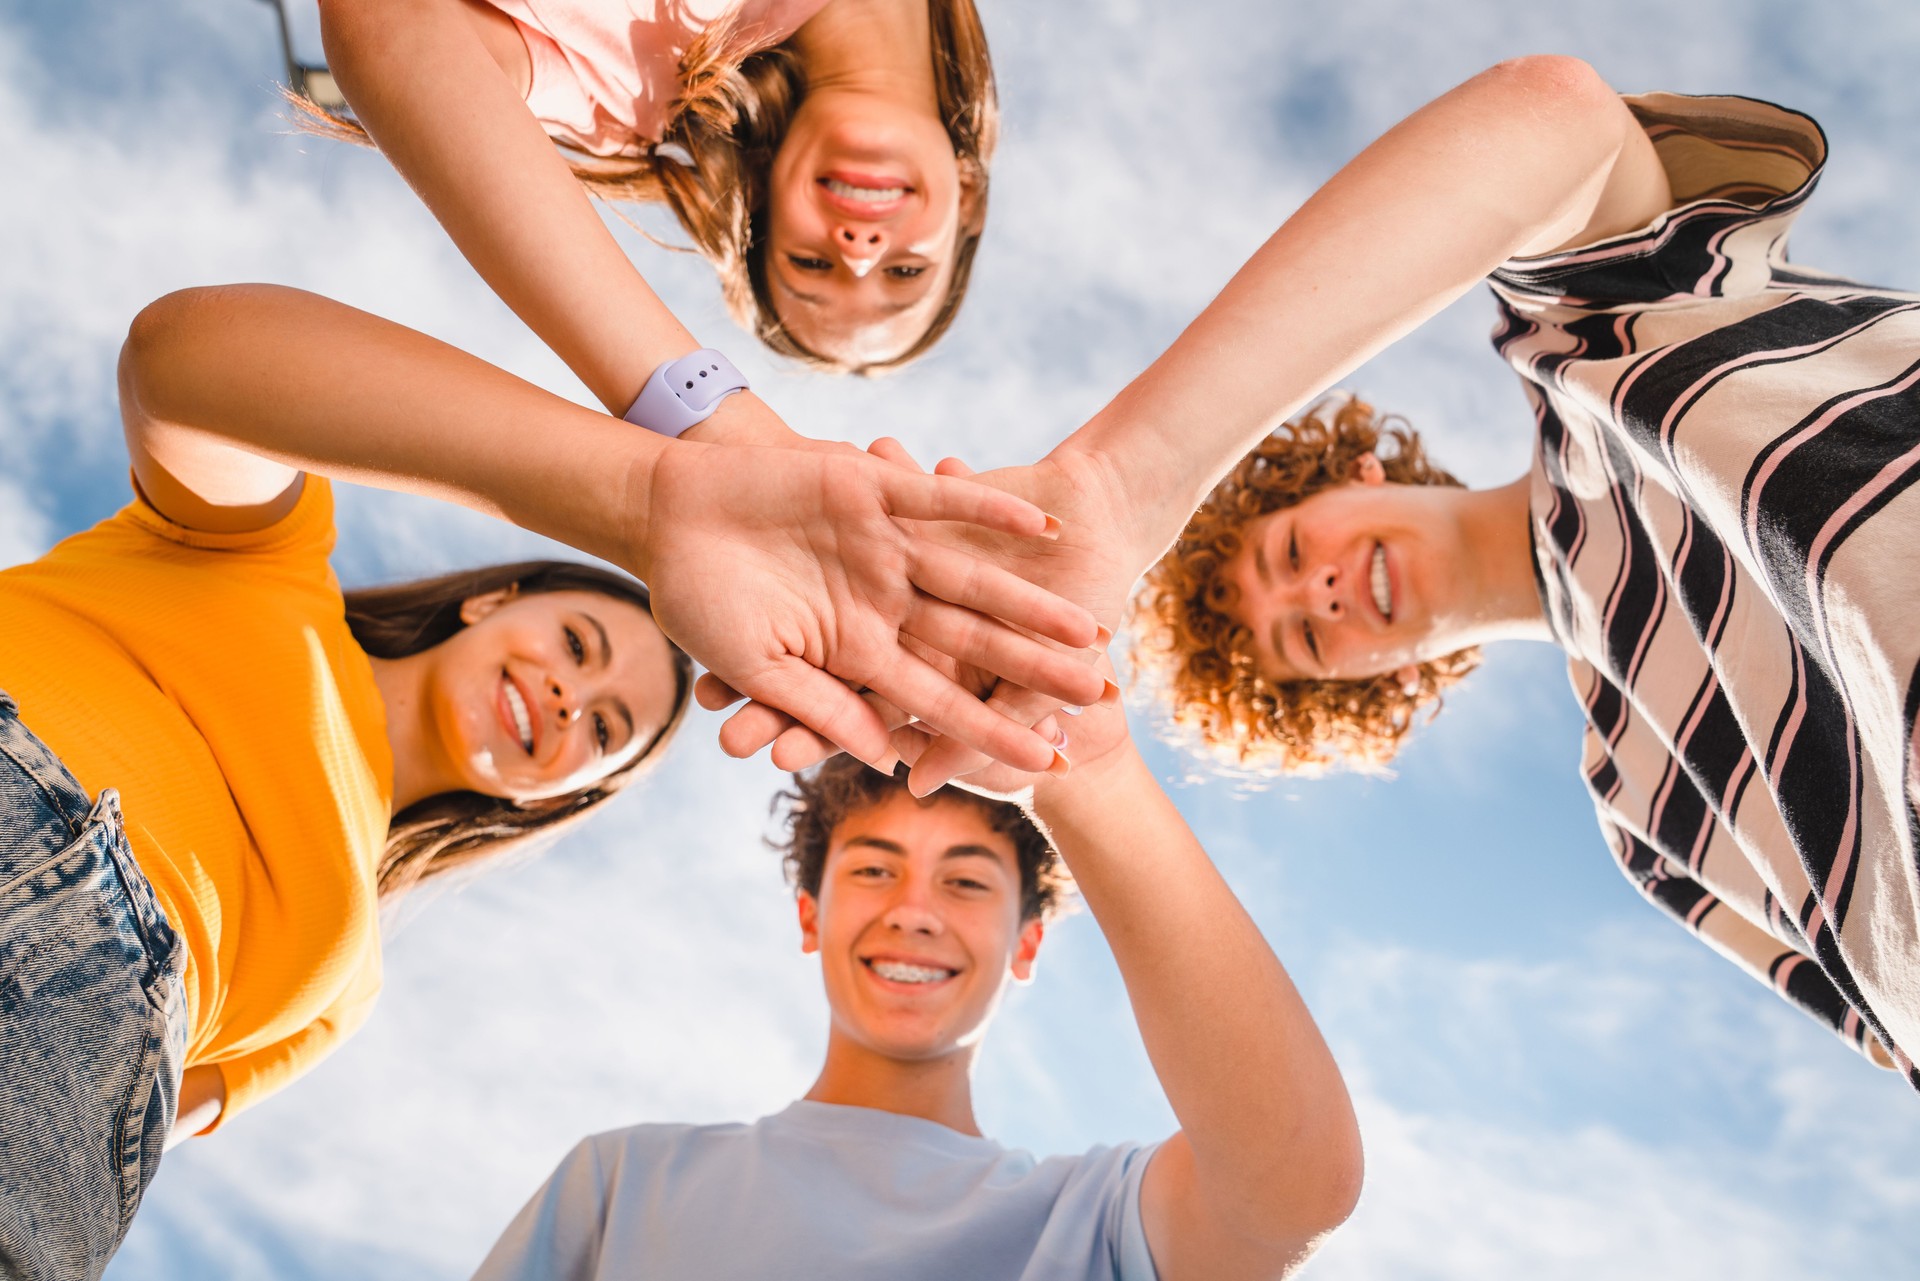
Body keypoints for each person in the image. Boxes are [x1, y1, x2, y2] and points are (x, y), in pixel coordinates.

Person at [708, 58, 1920, 1090]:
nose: (1317, 592)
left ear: (1347, 469)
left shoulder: (1593, 350)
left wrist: (1129, 482)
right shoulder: (1651, 818)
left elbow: (1555, 119)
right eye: (1296, 639)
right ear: (1352, 689)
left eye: (1289, 555)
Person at [0, 279, 1100, 1281]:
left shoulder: (346, 991)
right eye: (576, 644)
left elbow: (135, 1126)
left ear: (554, 800)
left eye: (605, 727)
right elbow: (185, 352)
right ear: (493, 599)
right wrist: (654, 497)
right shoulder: (264, 560)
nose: (569, 703)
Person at [472, 669, 1361, 1281]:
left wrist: (1089, 777)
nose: (915, 907)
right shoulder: (626, 1181)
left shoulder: (1082, 1222)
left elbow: (1294, 1190)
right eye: (872, 867)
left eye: (968, 880)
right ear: (810, 915)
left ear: (1026, 945)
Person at [312, 0, 995, 379]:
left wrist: (686, 403)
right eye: (906, 270)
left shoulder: (623, 92)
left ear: (759, 202)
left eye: (810, 263)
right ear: (967, 200)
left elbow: (389, 21)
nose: (859, 250)